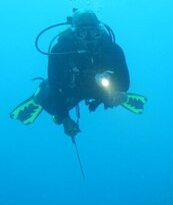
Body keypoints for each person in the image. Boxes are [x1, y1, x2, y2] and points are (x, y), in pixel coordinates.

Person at [11, 9, 146, 138]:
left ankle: (122, 98)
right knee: (51, 103)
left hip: (100, 88)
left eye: (93, 32)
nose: (88, 38)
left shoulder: (113, 50)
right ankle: (39, 95)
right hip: (70, 90)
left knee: (117, 96)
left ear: (99, 31)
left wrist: (118, 92)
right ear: (74, 33)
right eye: (82, 33)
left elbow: (125, 83)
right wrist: (65, 118)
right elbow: (55, 85)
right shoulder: (60, 50)